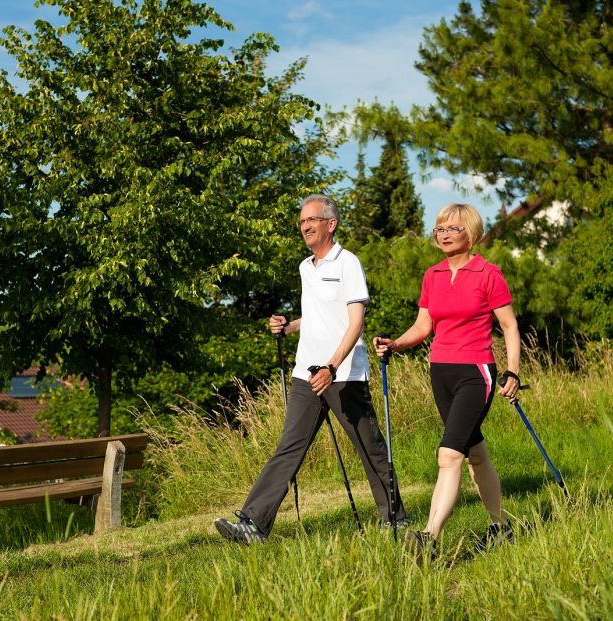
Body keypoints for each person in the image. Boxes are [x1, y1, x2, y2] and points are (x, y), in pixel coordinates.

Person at [214, 194, 407, 543]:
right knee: (288, 447)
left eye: (311, 220)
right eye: (301, 221)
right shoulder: (306, 267)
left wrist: (333, 366)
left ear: (330, 224)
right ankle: (253, 524)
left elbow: (355, 323)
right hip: (307, 373)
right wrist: (287, 327)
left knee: (370, 447)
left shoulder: (348, 263)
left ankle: (395, 520)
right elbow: (318, 316)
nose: (304, 226)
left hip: (342, 374)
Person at [373, 203, 521, 560]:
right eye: (439, 229)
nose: (443, 234)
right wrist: (395, 343)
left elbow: (509, 326)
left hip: (476, 373)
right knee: (476, 456)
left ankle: (428, 536)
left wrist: (513, 372)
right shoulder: (433, 275)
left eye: (452, 229)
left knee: (449, 455)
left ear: (471, 233)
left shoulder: (488, 273)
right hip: (440, 371)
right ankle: (501, 527)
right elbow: (424, 327)